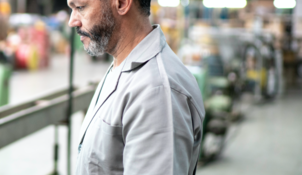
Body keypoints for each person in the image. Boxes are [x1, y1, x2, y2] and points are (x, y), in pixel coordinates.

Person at [67, 0, 205, 174]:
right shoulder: (122, 64)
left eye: (80, 7)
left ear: (122, 3)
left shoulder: (157, 92)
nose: (72, 21)